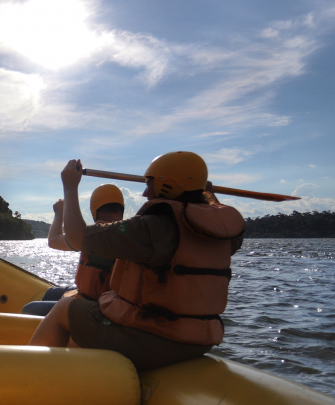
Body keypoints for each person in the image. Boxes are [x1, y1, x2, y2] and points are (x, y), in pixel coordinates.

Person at [28, 152, 245, 371]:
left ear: (168, 185)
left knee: (64, 307)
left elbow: (76, 236)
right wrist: (208, 198)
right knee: (82, 321)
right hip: (197, 343)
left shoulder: (150, 228)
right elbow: (226, 232)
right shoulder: (222, 236)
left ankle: (29, 377)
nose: (144, 192)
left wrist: (70, 186)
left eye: (150, 184)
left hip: (150, 338)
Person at [21, 184, 125, 316]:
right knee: (51, 293)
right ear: (121, 209)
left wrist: (59, 213)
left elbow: (53, 240)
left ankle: (54, 331)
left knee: (29, 309)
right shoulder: (126, 232)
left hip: (96, 304)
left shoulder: (93, 235)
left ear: (94, 209)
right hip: (101, 295)